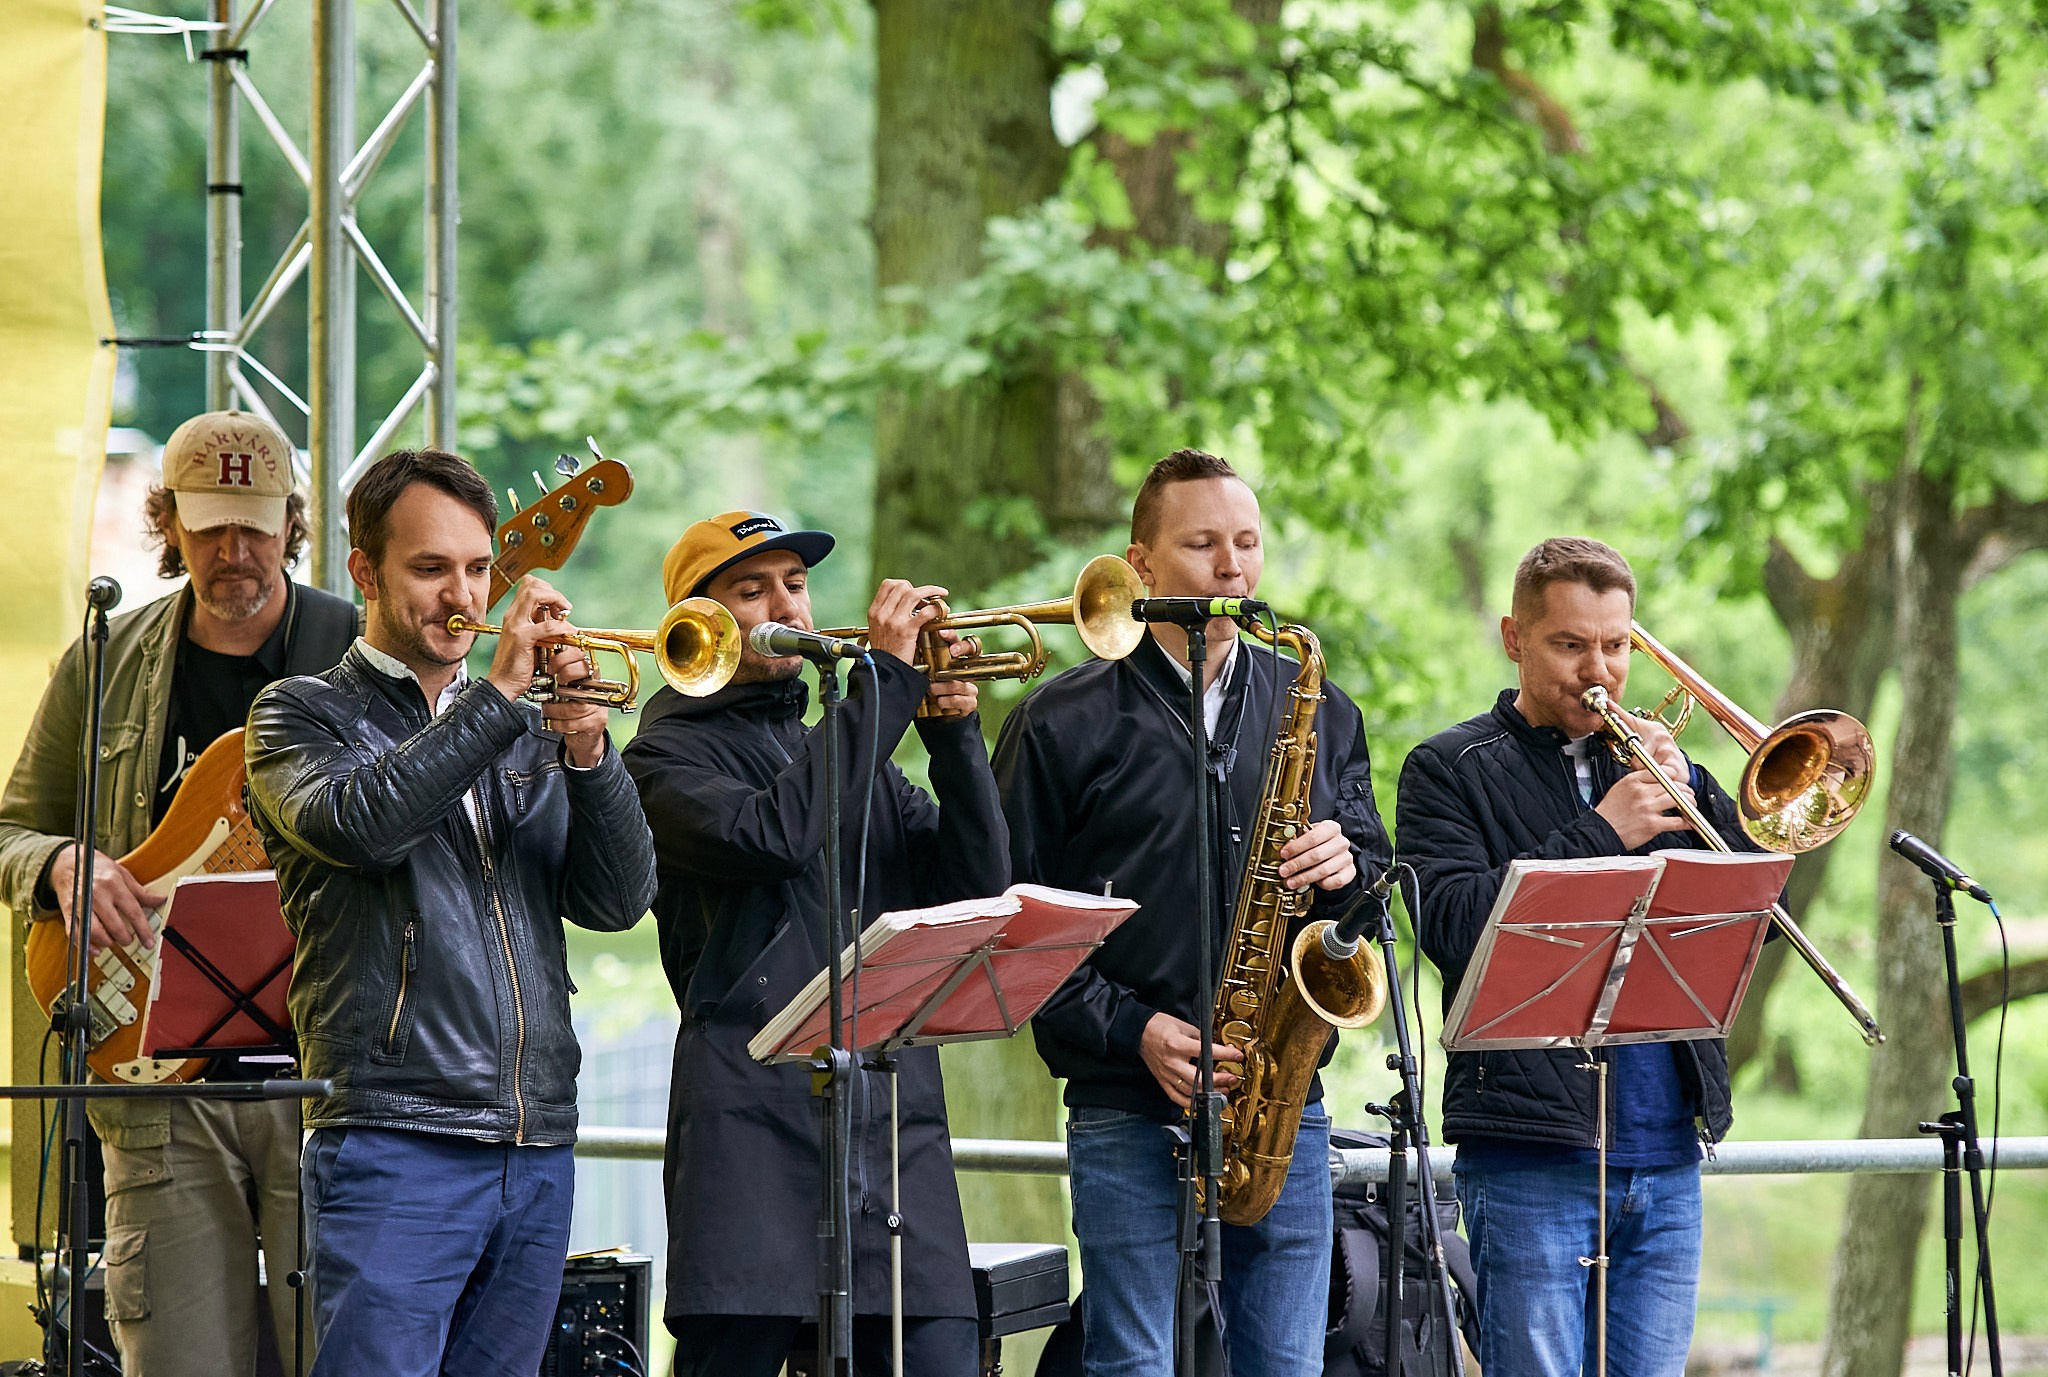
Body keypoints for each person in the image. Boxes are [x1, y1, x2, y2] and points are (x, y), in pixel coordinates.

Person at [244, 447, 656, 1377]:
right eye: (430, 569)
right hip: (396, 1138)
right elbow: (366, 825)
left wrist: (589, 748)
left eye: (477, 568)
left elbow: (619, 898)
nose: (461, 596)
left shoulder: (513, 726)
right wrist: (505, 698)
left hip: (537, 1142)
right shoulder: (299, 716)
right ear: (365, 573)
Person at [993, 449, 1391, 1377]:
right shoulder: (1057, 721)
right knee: (1132, 1363)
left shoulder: (1318, 706)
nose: (1232, 566)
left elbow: (1372, 901)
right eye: (1203, 543)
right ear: (1140, 564)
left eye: (1247, 542)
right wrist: (1133, 1030)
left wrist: (1350, 871)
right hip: (1125, 1100)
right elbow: (1012, 929)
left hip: (1282, 1096)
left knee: (1286, 1366)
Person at [0, 410, 354, 1377]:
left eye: (255, 525)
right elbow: (8, 830)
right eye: (209, 527)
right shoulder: (105, 659)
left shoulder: (358, 653)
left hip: (324, 1077)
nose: (235, 552)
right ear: (169, 524)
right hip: (153, 1083)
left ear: (293, 521)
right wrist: (62, 864)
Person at [622, 510, 1005, 1377]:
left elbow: (973, 892)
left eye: (794, 582)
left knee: (941, 1357)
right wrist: (886, 691)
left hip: (888, 1127)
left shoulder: (829, 741)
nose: (786, 603)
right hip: (748, 1126)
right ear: (700, 618)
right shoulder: (659, 759)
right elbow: (777, 834)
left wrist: (952, 734)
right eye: (751, 587)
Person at [1398, 536, 1758, 1377]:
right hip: (1530, 1154)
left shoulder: (1660, 772)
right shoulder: (1449, 768)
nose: (1599, 667)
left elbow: (1753, 921)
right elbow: (1447, 921)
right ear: (1513, 637)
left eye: (1617, 644)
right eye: (1570, 644)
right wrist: (1603, 834)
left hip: (1666, 1152)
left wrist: (1699, 795)